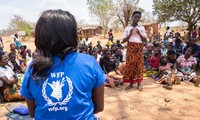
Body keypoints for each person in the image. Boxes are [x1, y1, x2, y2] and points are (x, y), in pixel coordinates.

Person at [20, 10, 105, 120]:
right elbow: (99, 107)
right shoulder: (89, 62)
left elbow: (32, 113)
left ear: (40, 36)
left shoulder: (32, 68)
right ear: (72, 35)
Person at [122, 11, 147, 91]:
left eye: (138, 17)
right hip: (130, 47)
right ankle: (131, 83)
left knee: (139, 64)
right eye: (135, 17)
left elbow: (145, 39)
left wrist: (139, 33)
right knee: (130, 64)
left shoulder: (141, 27)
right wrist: (130, 34)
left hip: (139, 47)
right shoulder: (127, 28)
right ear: (132, 17)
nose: (137, 18)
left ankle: (139, 83)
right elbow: (123, 41)